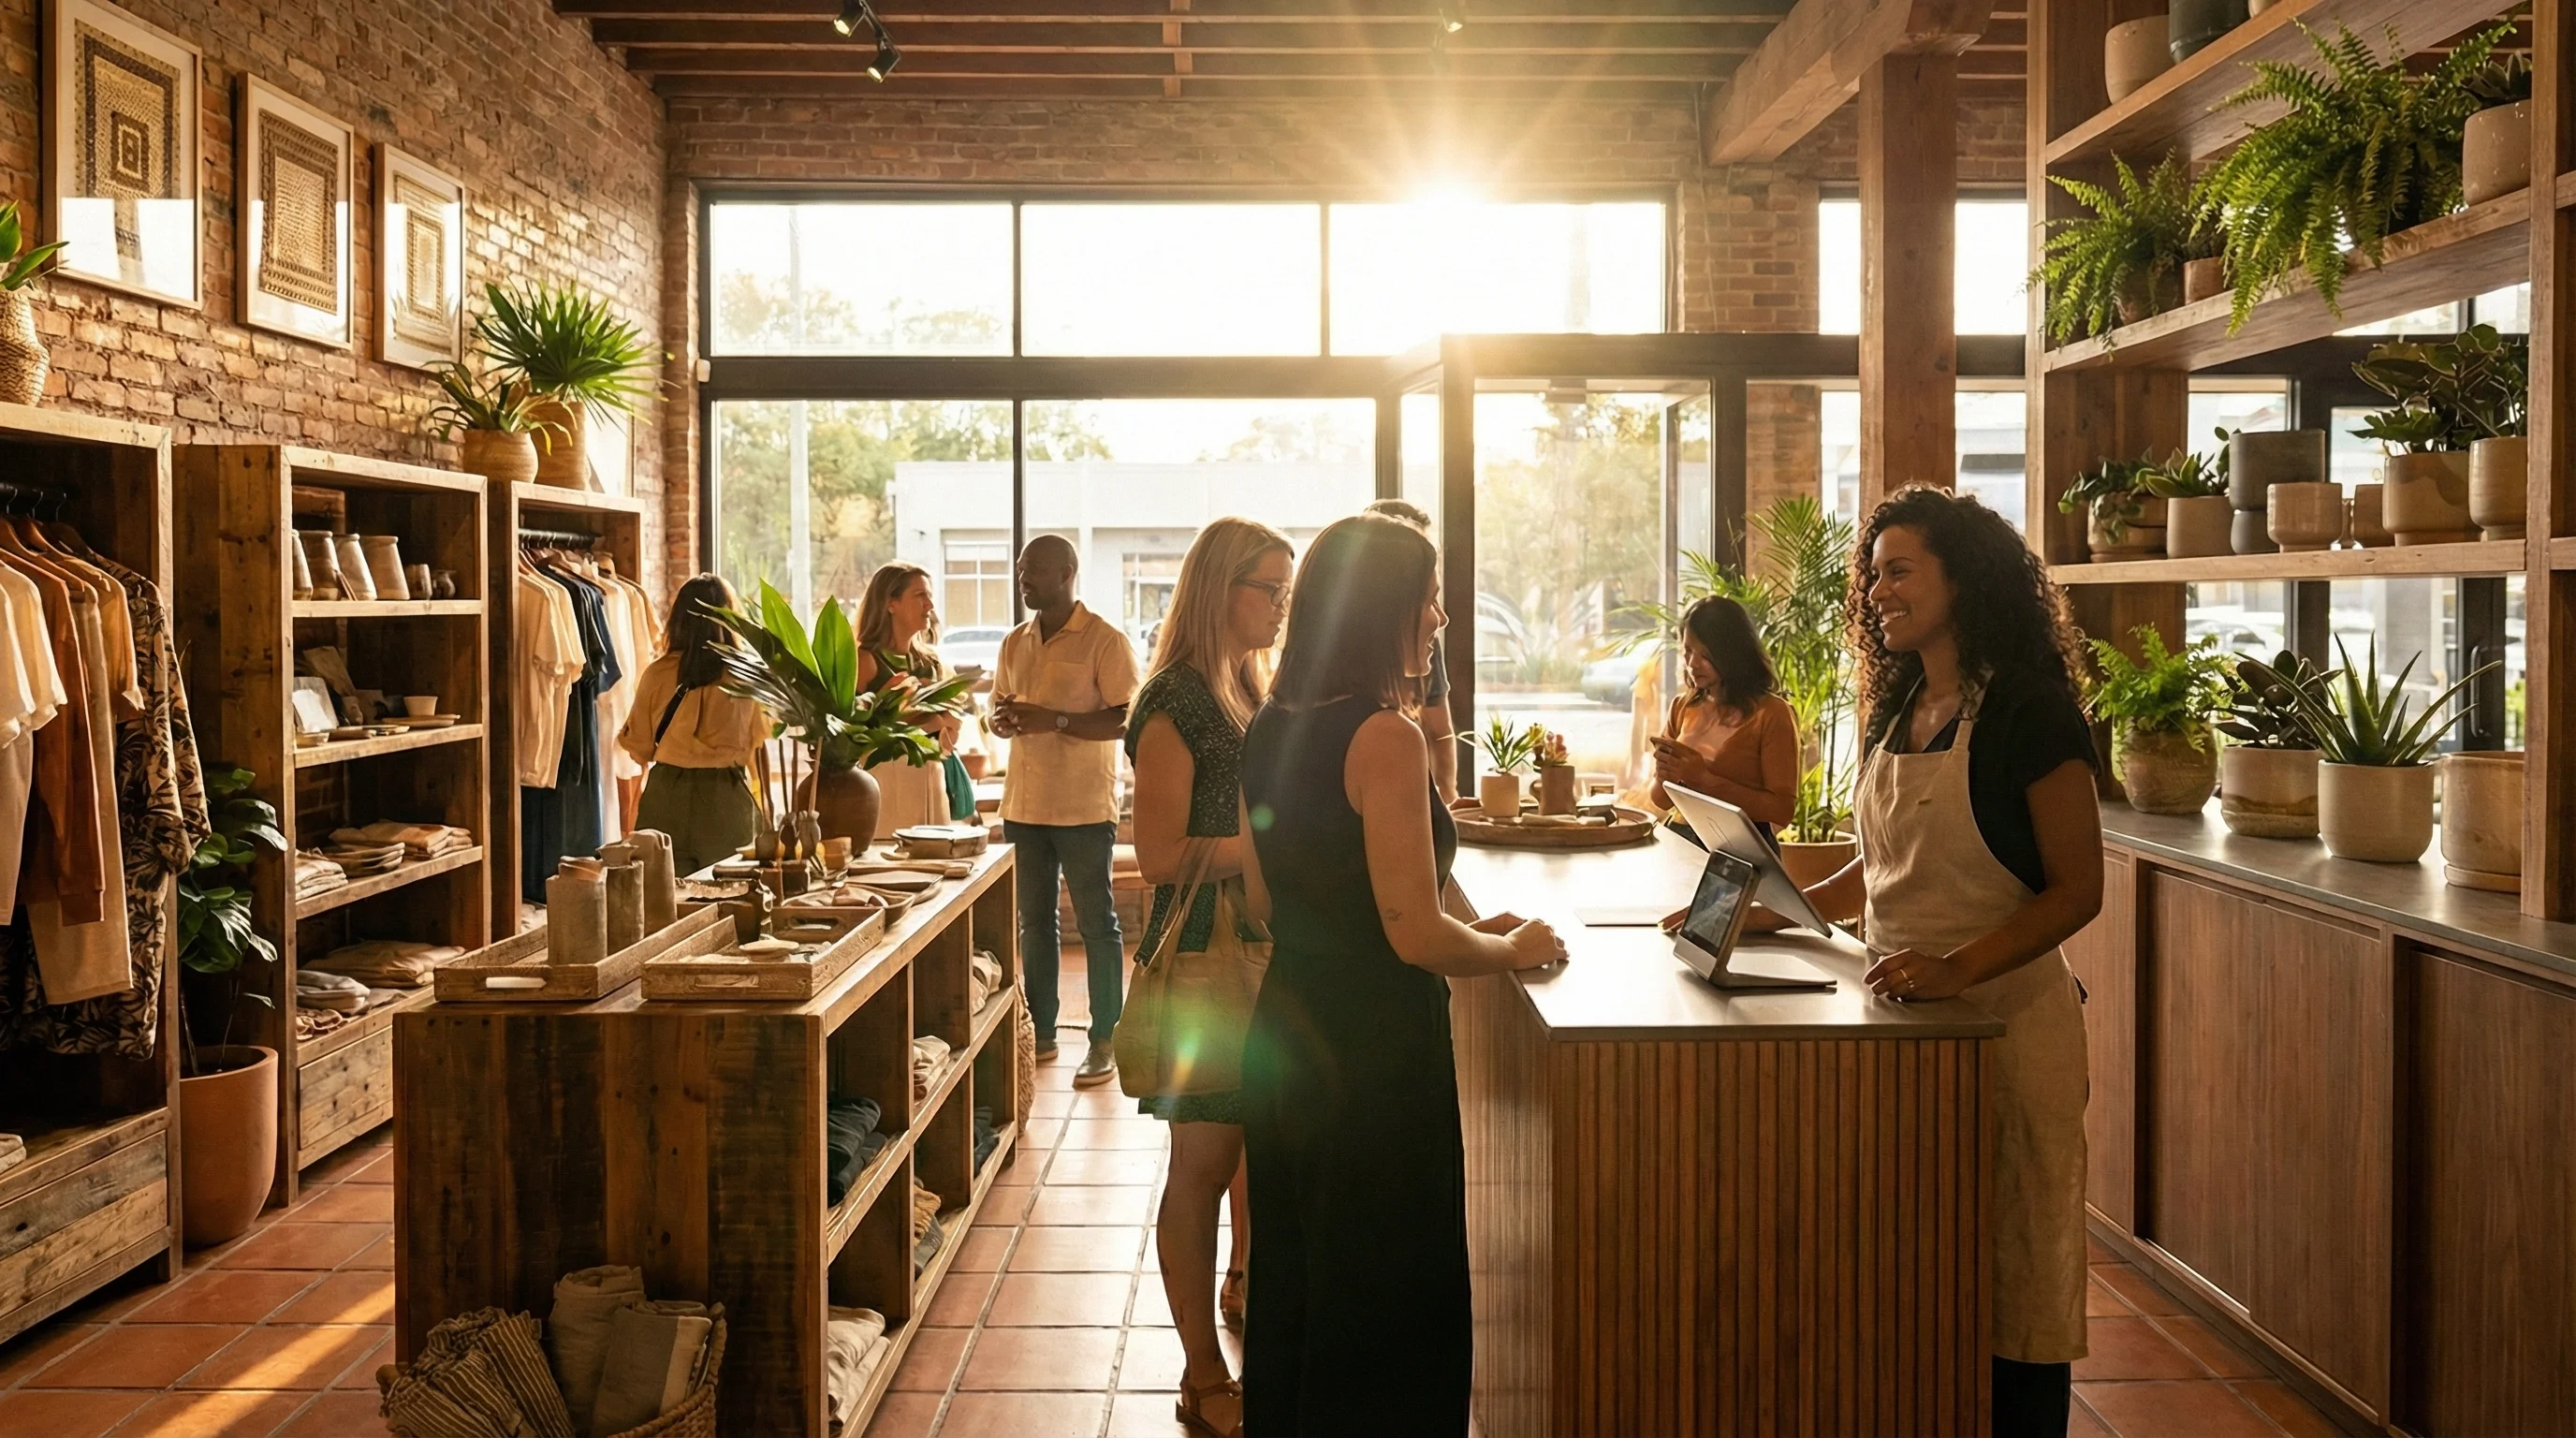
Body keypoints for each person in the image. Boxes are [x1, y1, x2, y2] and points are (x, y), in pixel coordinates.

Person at [1237, 513, 1567, 1435]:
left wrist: (1470, 920)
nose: (1438, 619)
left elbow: (1268, 898)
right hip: (1372, 1046)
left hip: (1289, 1024)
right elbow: (1411, 933)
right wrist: (1512, 950)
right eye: (1427, 599)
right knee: (1385, 1286)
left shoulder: (1269, 724)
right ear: (1383, 607)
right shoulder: (1385, 737)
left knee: (1304, 1273)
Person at [1789, 487, 2100, 1436]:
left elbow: (2077, 890)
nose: (1877, 590)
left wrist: (1959, 968)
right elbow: (1877, 868)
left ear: (1963, 580)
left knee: (2016, 1289)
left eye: (1899, 570)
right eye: (1871, 574)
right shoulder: (1901, 706)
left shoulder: (2031, 713)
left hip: (2009, 1037)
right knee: (1920, 1282)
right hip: (1907, 1034)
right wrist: (1780, 911)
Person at [1123, 517, 1292, 1438]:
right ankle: (1201, 1374)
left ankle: (1238, 1291)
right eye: (1267, 589)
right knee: (1201, 1163)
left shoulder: (1244, 685)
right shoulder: (1174, 700)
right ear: (1219, 590)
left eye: (1285, 592)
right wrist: (1273, 844)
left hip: (1258, 948)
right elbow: (1155, 854)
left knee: (1248, 1152)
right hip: (1201, 957)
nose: (1279, 607)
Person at [989, 534, 1139, 1084]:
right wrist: (1001, 722)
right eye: (1022, 569)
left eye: (1035, 570)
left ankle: (1106, 1040)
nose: (1024, 578)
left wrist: (1052, 719)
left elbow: (1127, 718)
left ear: (1068, 571)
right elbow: (1002, 711)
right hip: (1024, 805)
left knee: (1098, 924)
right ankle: (1043, 1033)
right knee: (1033, 922)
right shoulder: (1013, 642)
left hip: (1083, 808)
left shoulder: (1104, 641)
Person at [619, 574, 770, 875]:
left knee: (662, 899)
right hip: (726, 798)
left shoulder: (657, 673)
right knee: (731, 898)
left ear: (679, 619)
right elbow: (758, 749)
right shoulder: (749, 675)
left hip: (666, 796)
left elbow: (640, 751)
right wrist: (765, 806)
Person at [1647, 594, 1798, 834]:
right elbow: (1661, 799)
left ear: (1732, 652)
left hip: (1738, 850)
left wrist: (1704, 779)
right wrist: (1664, 773)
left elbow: (1782, 810)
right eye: (1687, 651)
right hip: (1681, 838)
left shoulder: (1772, 713)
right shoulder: (1682, 707)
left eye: (1704, 655)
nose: (1692, 663)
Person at [852, 562, 966, 836]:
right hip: (887, 782)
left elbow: (951, 730)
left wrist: (933, 713)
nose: (930, 605)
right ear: (890, 603)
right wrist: (891, 704)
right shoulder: (865, 660)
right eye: (920, 596)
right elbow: (850, 732)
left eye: (929, 596)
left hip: (931, 778)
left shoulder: (932, 661)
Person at [1361, 499, 1459, 801]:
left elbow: (1440, 730)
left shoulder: (1425, 647)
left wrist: (1448, 798)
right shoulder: (1390, 734)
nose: (1442, 619)